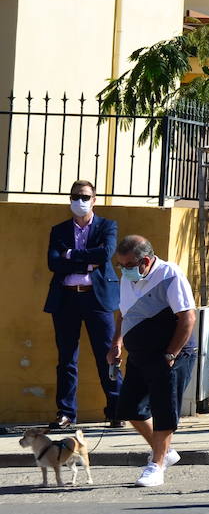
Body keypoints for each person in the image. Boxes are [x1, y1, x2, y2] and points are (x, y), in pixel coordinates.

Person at [108, 235, 197, 488]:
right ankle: (166, 452)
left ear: (145, 261)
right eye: (120, 265)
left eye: (127, 266)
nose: (123, 271)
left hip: (170, 355)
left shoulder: (170, 275)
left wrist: (170, 354)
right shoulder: (128, 278)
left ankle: (156, 466)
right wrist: (117, 342)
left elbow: (187, 318)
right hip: (139, 354)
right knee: (130, 408)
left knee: (162, 409)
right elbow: (123, 312)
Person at [44, 179, 121, 430]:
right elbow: (54, 263)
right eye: (76, 196)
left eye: (86, 197)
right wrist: (86, 261)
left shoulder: (107, 226)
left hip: (96, 297)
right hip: (66, 298)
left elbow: (105, 254)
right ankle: (66, 413)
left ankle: (117, 409)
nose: (81, 201)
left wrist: (71, 255)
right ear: (70, 199)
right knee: (66, 358)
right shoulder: (59, 230)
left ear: (94, 200)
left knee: (108, 356)